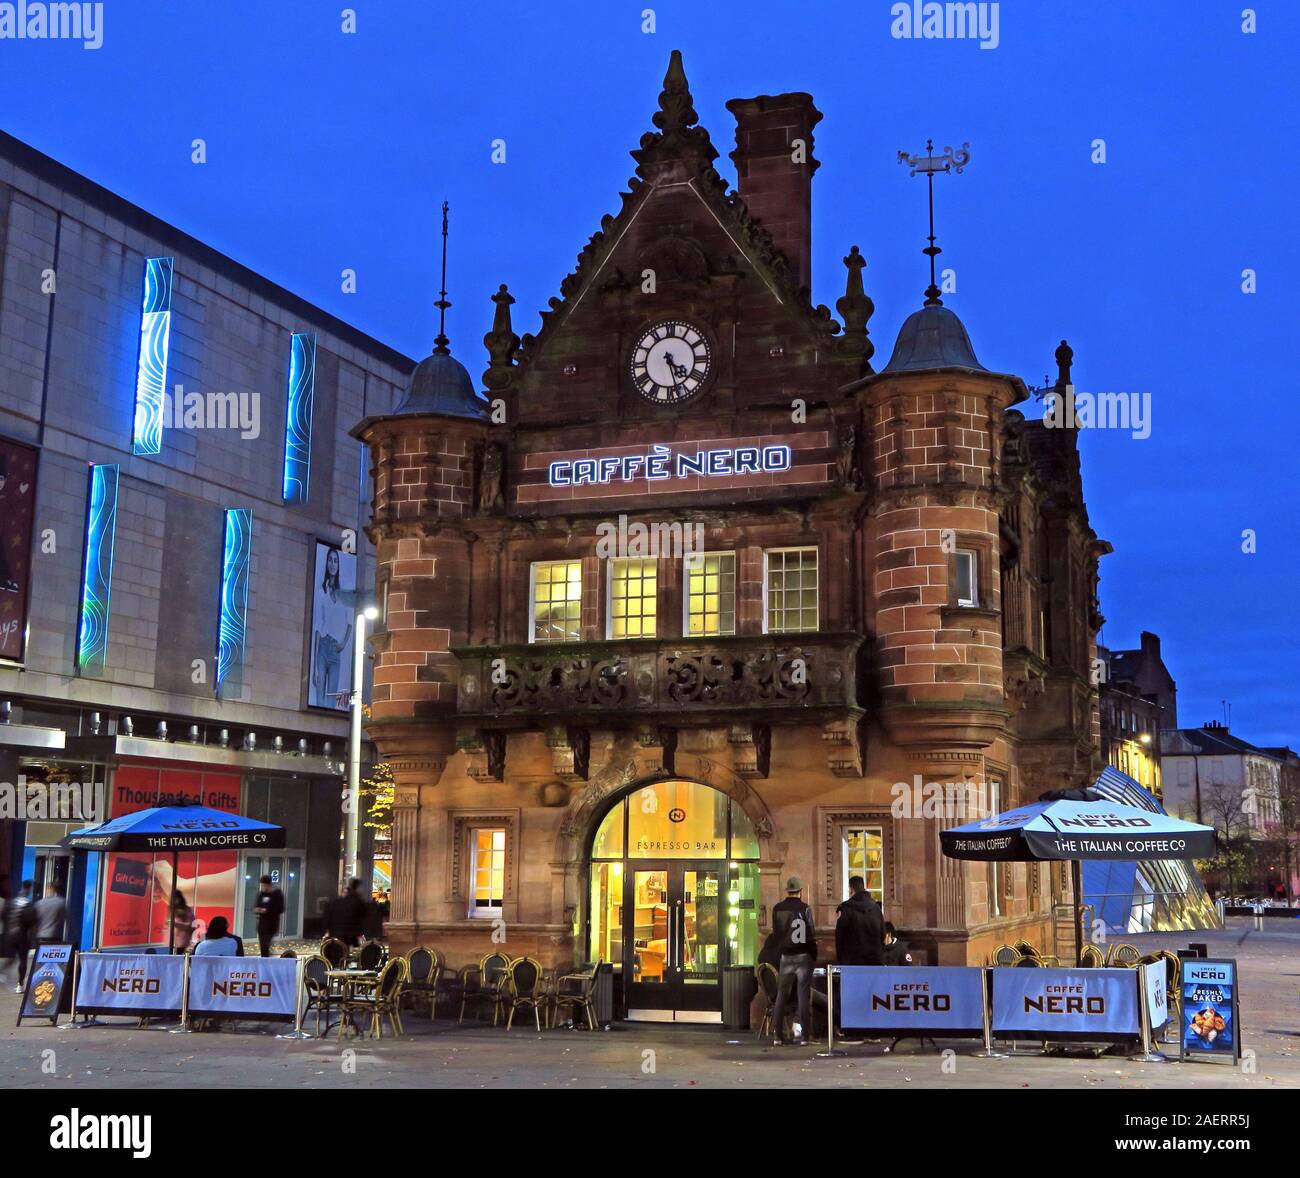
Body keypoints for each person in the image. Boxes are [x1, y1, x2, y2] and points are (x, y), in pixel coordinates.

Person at [769, 876, 817, 1047]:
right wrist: (813, 954)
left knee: (782, 995)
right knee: (803, 995)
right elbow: (811, 933)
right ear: (800, 891)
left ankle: (777, 1035)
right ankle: (804, 1036)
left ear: (787, 891)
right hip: (803, 955)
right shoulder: (805, 908)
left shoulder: (777, 908)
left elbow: (775, 934)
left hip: (786, 956)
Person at [835, 875, 884, 966]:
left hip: (851, 961)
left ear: (851, 890)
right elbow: (883, 934)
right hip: (874, 960)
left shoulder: (845, 908)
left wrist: (841, 958)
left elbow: (839, 935)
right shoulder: (876, 908)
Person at [2, 880, 34, 992]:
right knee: (23, 960)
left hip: (10, 934)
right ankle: (20, 985)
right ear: (29, 889)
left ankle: (2, 973)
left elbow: (3, 915)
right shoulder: (28, 904)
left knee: (10, 958)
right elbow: (31, 921)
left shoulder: (12, 902)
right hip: (22, 936)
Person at [326, 878, 368, 947]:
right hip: (351, 933)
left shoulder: (336, 902)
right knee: (353, 951)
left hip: (337, 932)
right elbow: (362, 916)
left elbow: (329, 916)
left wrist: (328, 929)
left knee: (340, 951)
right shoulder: (357, 901)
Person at [253, 874, 285, 957]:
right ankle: (265, 959)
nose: (263, 887)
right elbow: (256, 906)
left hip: (271, 925)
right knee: (263, 947)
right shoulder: (261, 894)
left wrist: (267, 911)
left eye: (264, 885)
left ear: (269, 885)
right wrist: (258, 909)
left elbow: (280, 909)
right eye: (262, 885)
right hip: (262, 925)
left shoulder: (277, 894)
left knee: (265, 946)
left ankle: (266, 960)